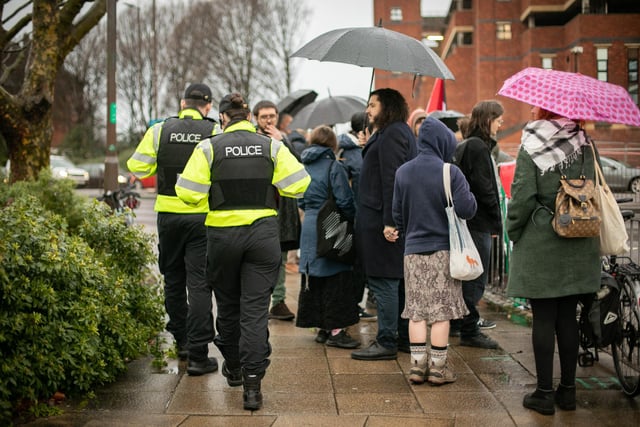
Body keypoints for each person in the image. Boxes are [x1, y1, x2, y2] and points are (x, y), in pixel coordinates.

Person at [175, 93, 310, 411]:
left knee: (229, 308)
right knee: (254, 312)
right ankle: (252, 386)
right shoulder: (271, 146)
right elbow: (300, 184)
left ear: (222, 117)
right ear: (249, 117)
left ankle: (233, 366)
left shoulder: (209, 147)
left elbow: (186, 193)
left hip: (222, 238)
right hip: (263, 236)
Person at [506, 107, 600, 415]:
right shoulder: (585, 142)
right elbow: (593, 187)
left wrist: (513, 229)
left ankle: (544, 393)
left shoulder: (532, 143)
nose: (531, 109)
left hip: (543, 239)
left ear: (545, 108)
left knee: (544, 318)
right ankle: (568, 392)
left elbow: (522, 196)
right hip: (579, 237)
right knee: (567, 318)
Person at [127, 83, 219, 376]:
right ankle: (198, 353)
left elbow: (137, 167)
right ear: (207, 106)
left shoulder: (159, 131)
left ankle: (181, 341)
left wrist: (162, 164)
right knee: (200, 284)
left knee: (173, 281)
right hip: (202, 218)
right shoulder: (213, 131)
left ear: (182, 103)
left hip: (168, 217)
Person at [392, 117, 474, 385]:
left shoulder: (402, 171)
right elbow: (467, 209)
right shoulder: (449, 171)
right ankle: (438, 369)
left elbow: (397, 215)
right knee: (441, 312)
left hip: (412, 251)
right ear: (443, 142)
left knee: (416, 311)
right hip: (444, 252)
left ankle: (416, 368)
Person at [351, 88, 416, 361]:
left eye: (372, 104)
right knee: (395, 279)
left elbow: (392, 179)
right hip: (381, 217)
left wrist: (390, 221)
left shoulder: (393, 134)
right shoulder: (390, 133)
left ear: (387, 106)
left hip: (382, 220)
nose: (368, 110)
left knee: (384, 280)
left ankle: (387, 340)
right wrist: (370, 145)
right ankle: (401, 337)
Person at [296, 125, 360, 349]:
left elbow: (300, 201)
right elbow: (345, 200)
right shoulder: (334, 166)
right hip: (331, 223)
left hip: (310, 226)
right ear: (333, 144)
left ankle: (321, 328)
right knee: (336, 275)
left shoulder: (303, 166)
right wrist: (351, 220)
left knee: (315, 277)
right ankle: (336, 330)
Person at [449, 100, 503, 349]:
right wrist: (497, 220)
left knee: (466, 277)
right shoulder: (478, 148)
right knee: (475, 278)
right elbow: (485, 188)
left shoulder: (469, 145)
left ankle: (458, 323)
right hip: (479, 222)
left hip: (469, 221)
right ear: (487, 119)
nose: (501, 124)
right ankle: (469, 330)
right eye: (498, 119)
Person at [253, 100, 300, 321]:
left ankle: (278, 301)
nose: (269, 120)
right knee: (261, 257)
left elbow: (297, 167)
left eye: (272, 116)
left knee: (280, 255)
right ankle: (260, 301)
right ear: (256, 118)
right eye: (264, 117)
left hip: (283, 209)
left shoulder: (283, 138)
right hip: (261, 206)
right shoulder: (252, 140)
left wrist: (283, 143)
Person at [336, 112, 375, 322]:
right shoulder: (349, 153)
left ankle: (355, 303)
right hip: (353, 217)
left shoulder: (362, 151)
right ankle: (350, 305)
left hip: (363, 216)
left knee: (361, 265)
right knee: (355, 265)